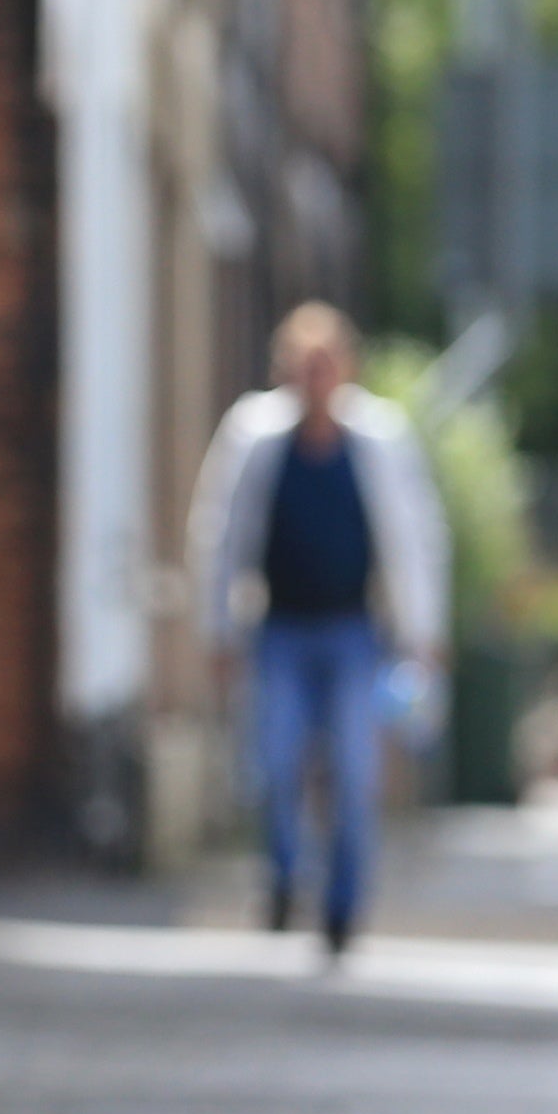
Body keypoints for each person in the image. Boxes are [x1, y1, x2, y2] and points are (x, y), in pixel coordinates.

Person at [188, 303, 448, 959]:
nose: (316, 378)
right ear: (286, 371)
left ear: (346, 369)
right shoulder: (254, 436)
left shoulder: (380, 439)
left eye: (326, 365)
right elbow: (220, 533)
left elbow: (416, 537)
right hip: (280, 630)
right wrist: (218, 627)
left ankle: (341, 908)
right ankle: (280, 877)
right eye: (304, 366)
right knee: (274, 763)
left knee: (355, 773)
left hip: (354, 633)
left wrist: (424, 632)